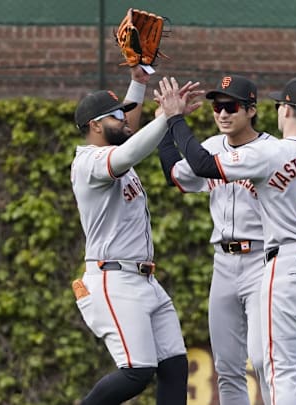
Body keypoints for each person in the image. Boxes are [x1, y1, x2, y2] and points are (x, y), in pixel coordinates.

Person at [154, 76, 296, 405]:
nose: (223, 113)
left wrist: (174, 119)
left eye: (231, 106)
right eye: (217, 106)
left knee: (275, 367)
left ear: (281, 110)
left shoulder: (269, 152)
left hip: (277, 265)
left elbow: (202, 164)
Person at [70, 66, 203, 405]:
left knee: (174, 366)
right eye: (117, 116)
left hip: (145, 281)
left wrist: (139, 80)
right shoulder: (89, 162)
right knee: (137, 371)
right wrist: (167, 117)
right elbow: (129, 151)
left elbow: (128, 136)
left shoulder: (113, 150)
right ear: (95, 125)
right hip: (112, 279)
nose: (127, 121)